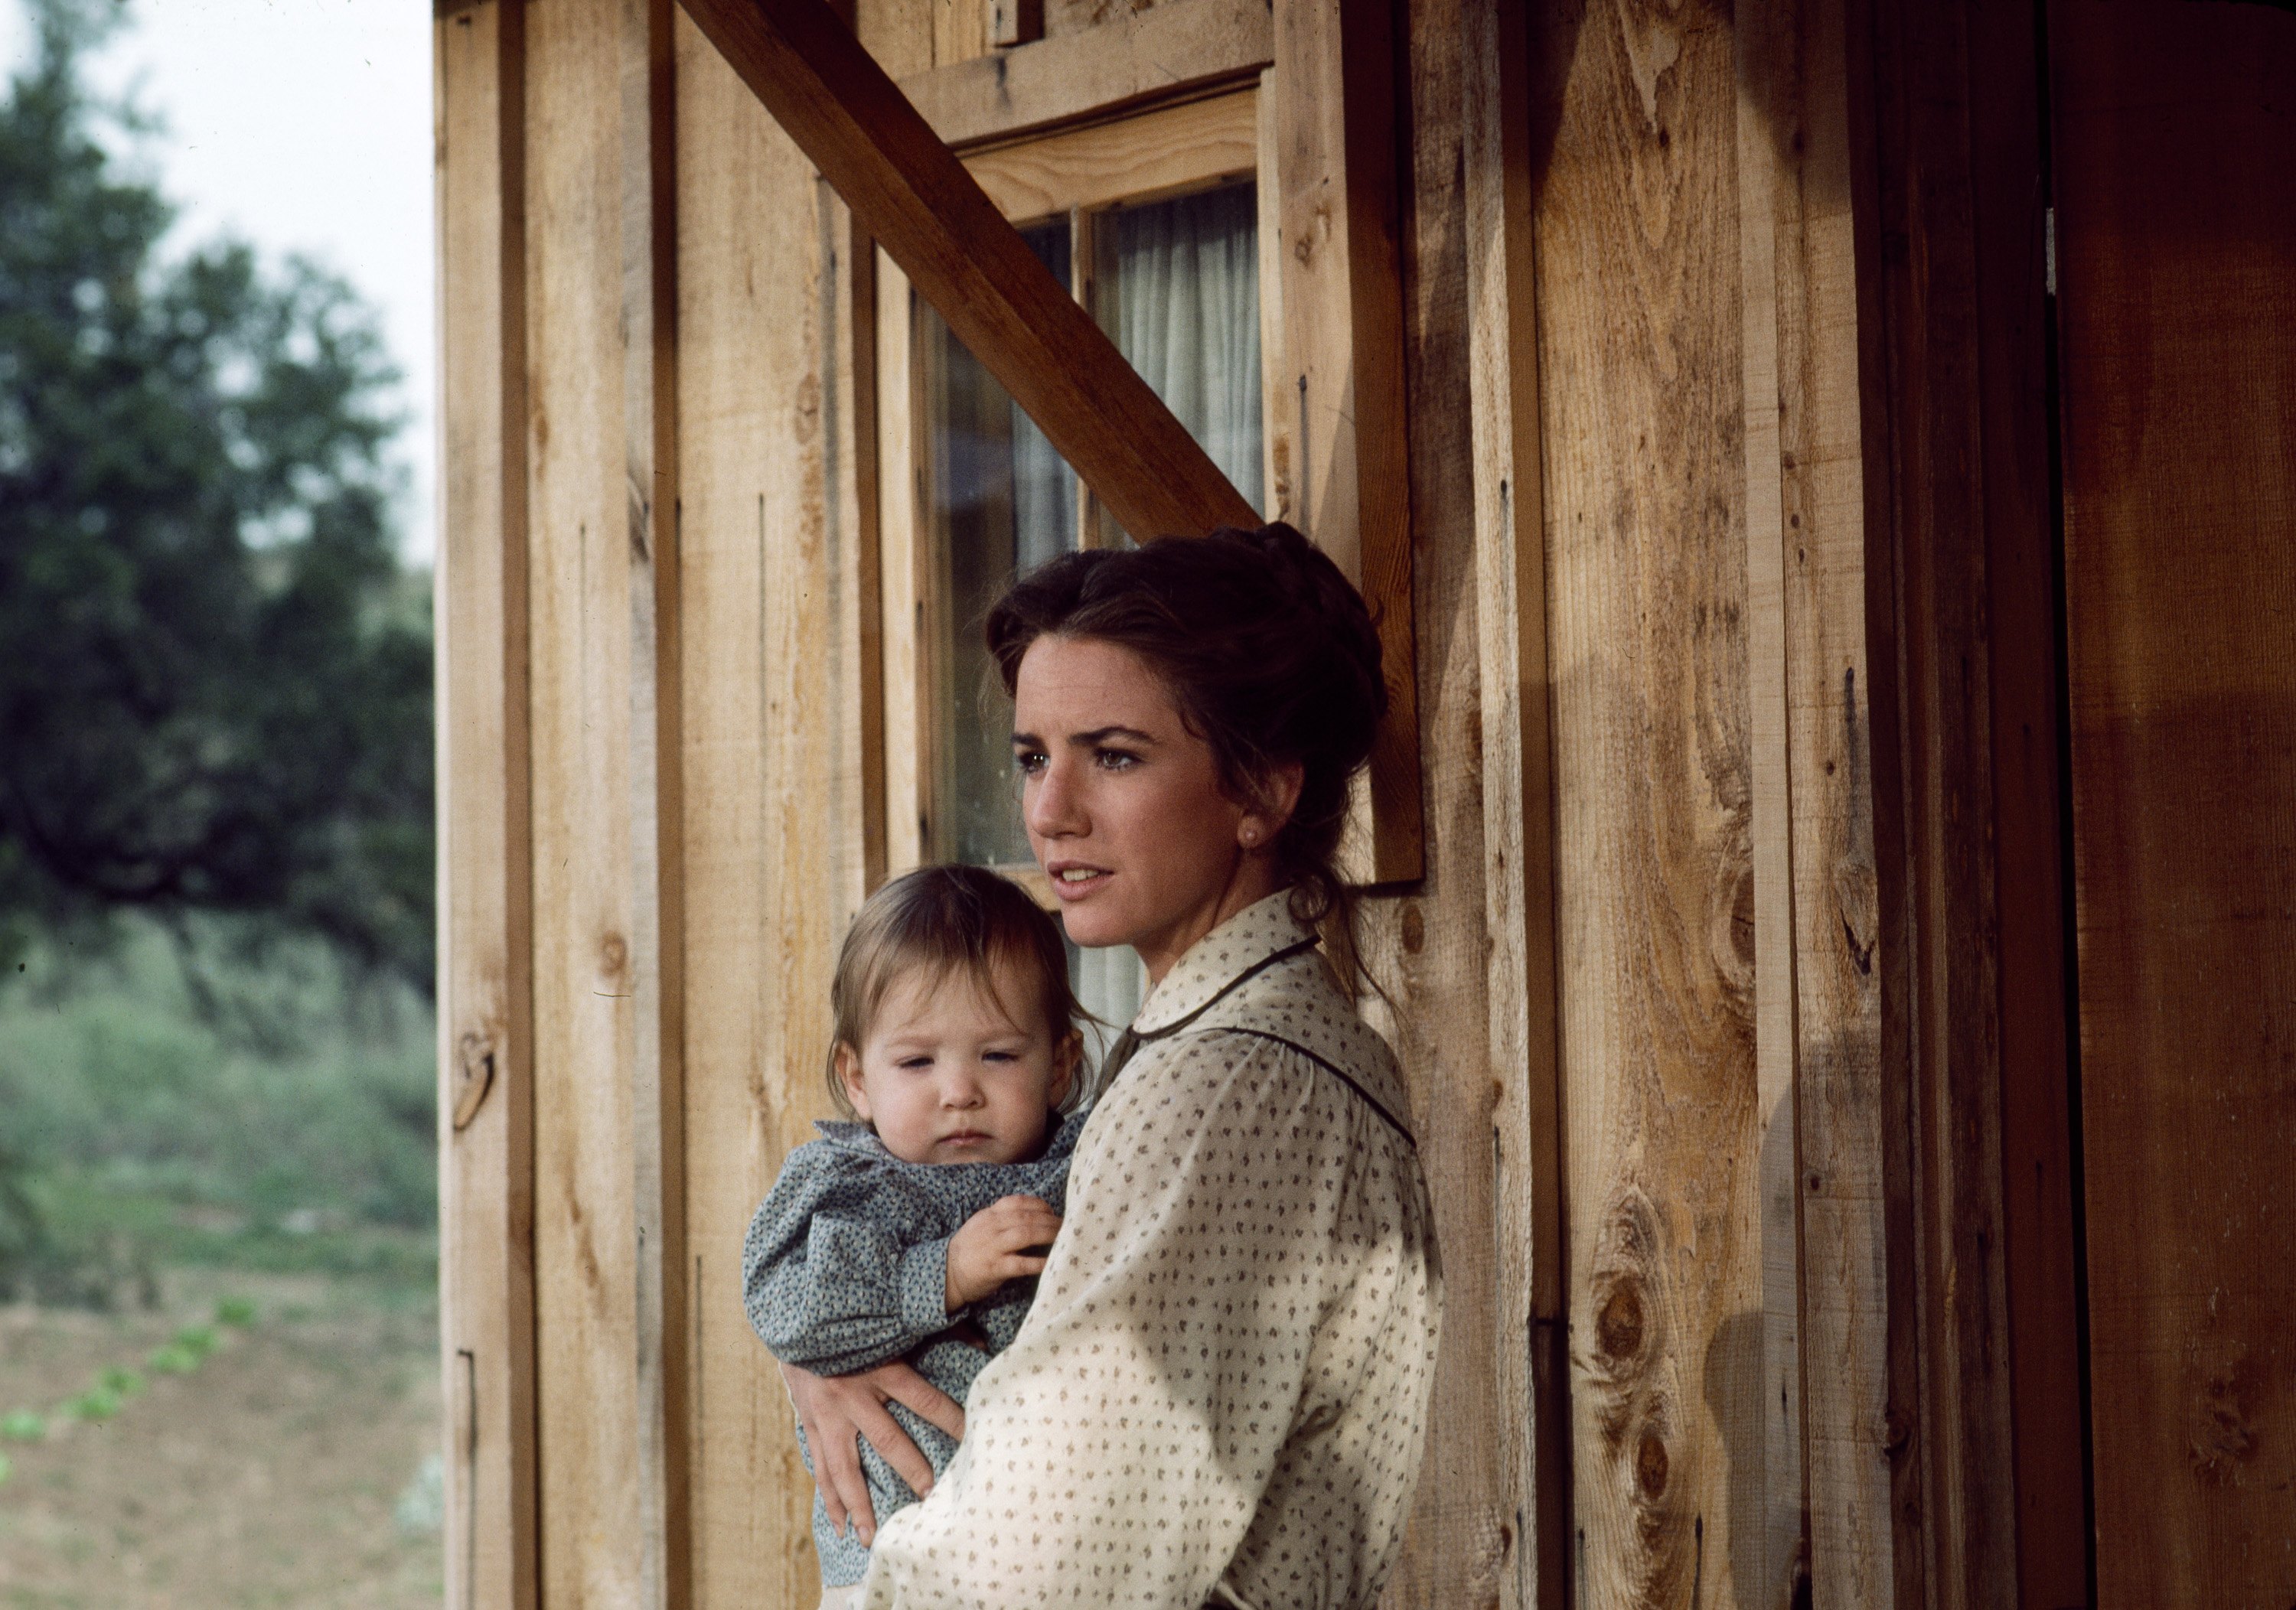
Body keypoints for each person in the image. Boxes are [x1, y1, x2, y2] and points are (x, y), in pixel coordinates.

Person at [780, 521, 1443, 1610]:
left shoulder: (1229, 1089)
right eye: (1035, 756)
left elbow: (1043, 1571)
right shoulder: (1200, 1057)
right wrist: (841, 1339)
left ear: (1262, 795)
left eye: (1116, 755)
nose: (1049, 812)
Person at [742, 864, 1092, 1609]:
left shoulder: (1082, 1164)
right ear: (858, 1077)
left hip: (1044, 1552)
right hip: (888, 1552)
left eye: (998, 1055)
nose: (959, 1089)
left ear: (1061, 1065)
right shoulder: (845, 1183)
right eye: (916, 1061)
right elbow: (783, 1309)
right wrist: (940, 1275)